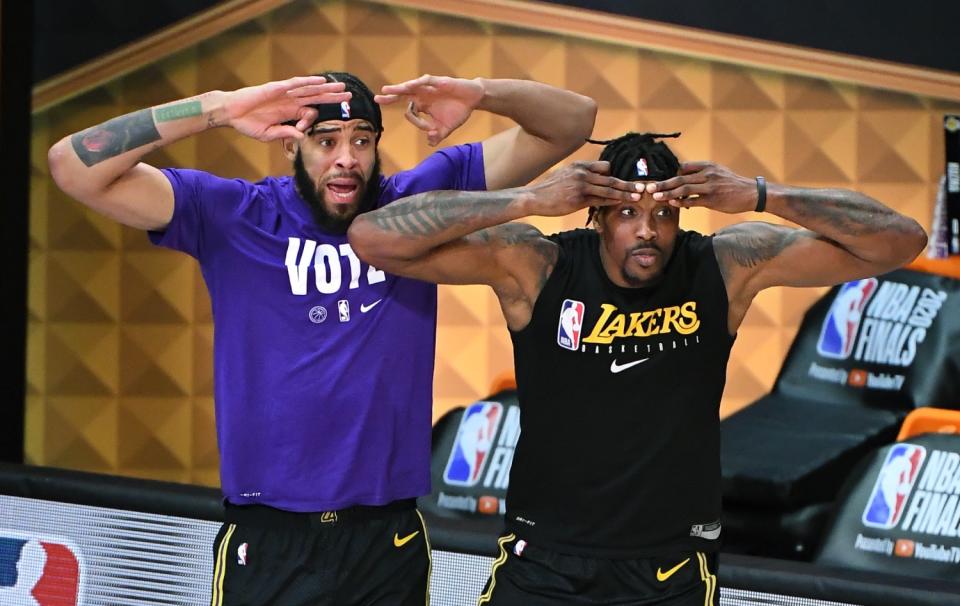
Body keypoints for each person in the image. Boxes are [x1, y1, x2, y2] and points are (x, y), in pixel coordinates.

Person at [47, 72, 597, 605]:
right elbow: (72, 166)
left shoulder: (419, 206)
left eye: (362, 140)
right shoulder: (234, 215)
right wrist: (217, 109)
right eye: (326, 140)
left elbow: (573, 122)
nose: (347, 159)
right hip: (271, 541)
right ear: (292, 147)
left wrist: (480, 93)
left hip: (387, 537)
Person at [347, 132, 928, 605]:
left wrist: (759, 193)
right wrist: (528, 200)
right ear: (596, 215)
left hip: (668, 571)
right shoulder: (539, 265)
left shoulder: (725, 266)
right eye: (627, 211)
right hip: (543, 563)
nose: (647, 229)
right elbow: (371, 237)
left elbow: (900, 242)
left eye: (663, 212)